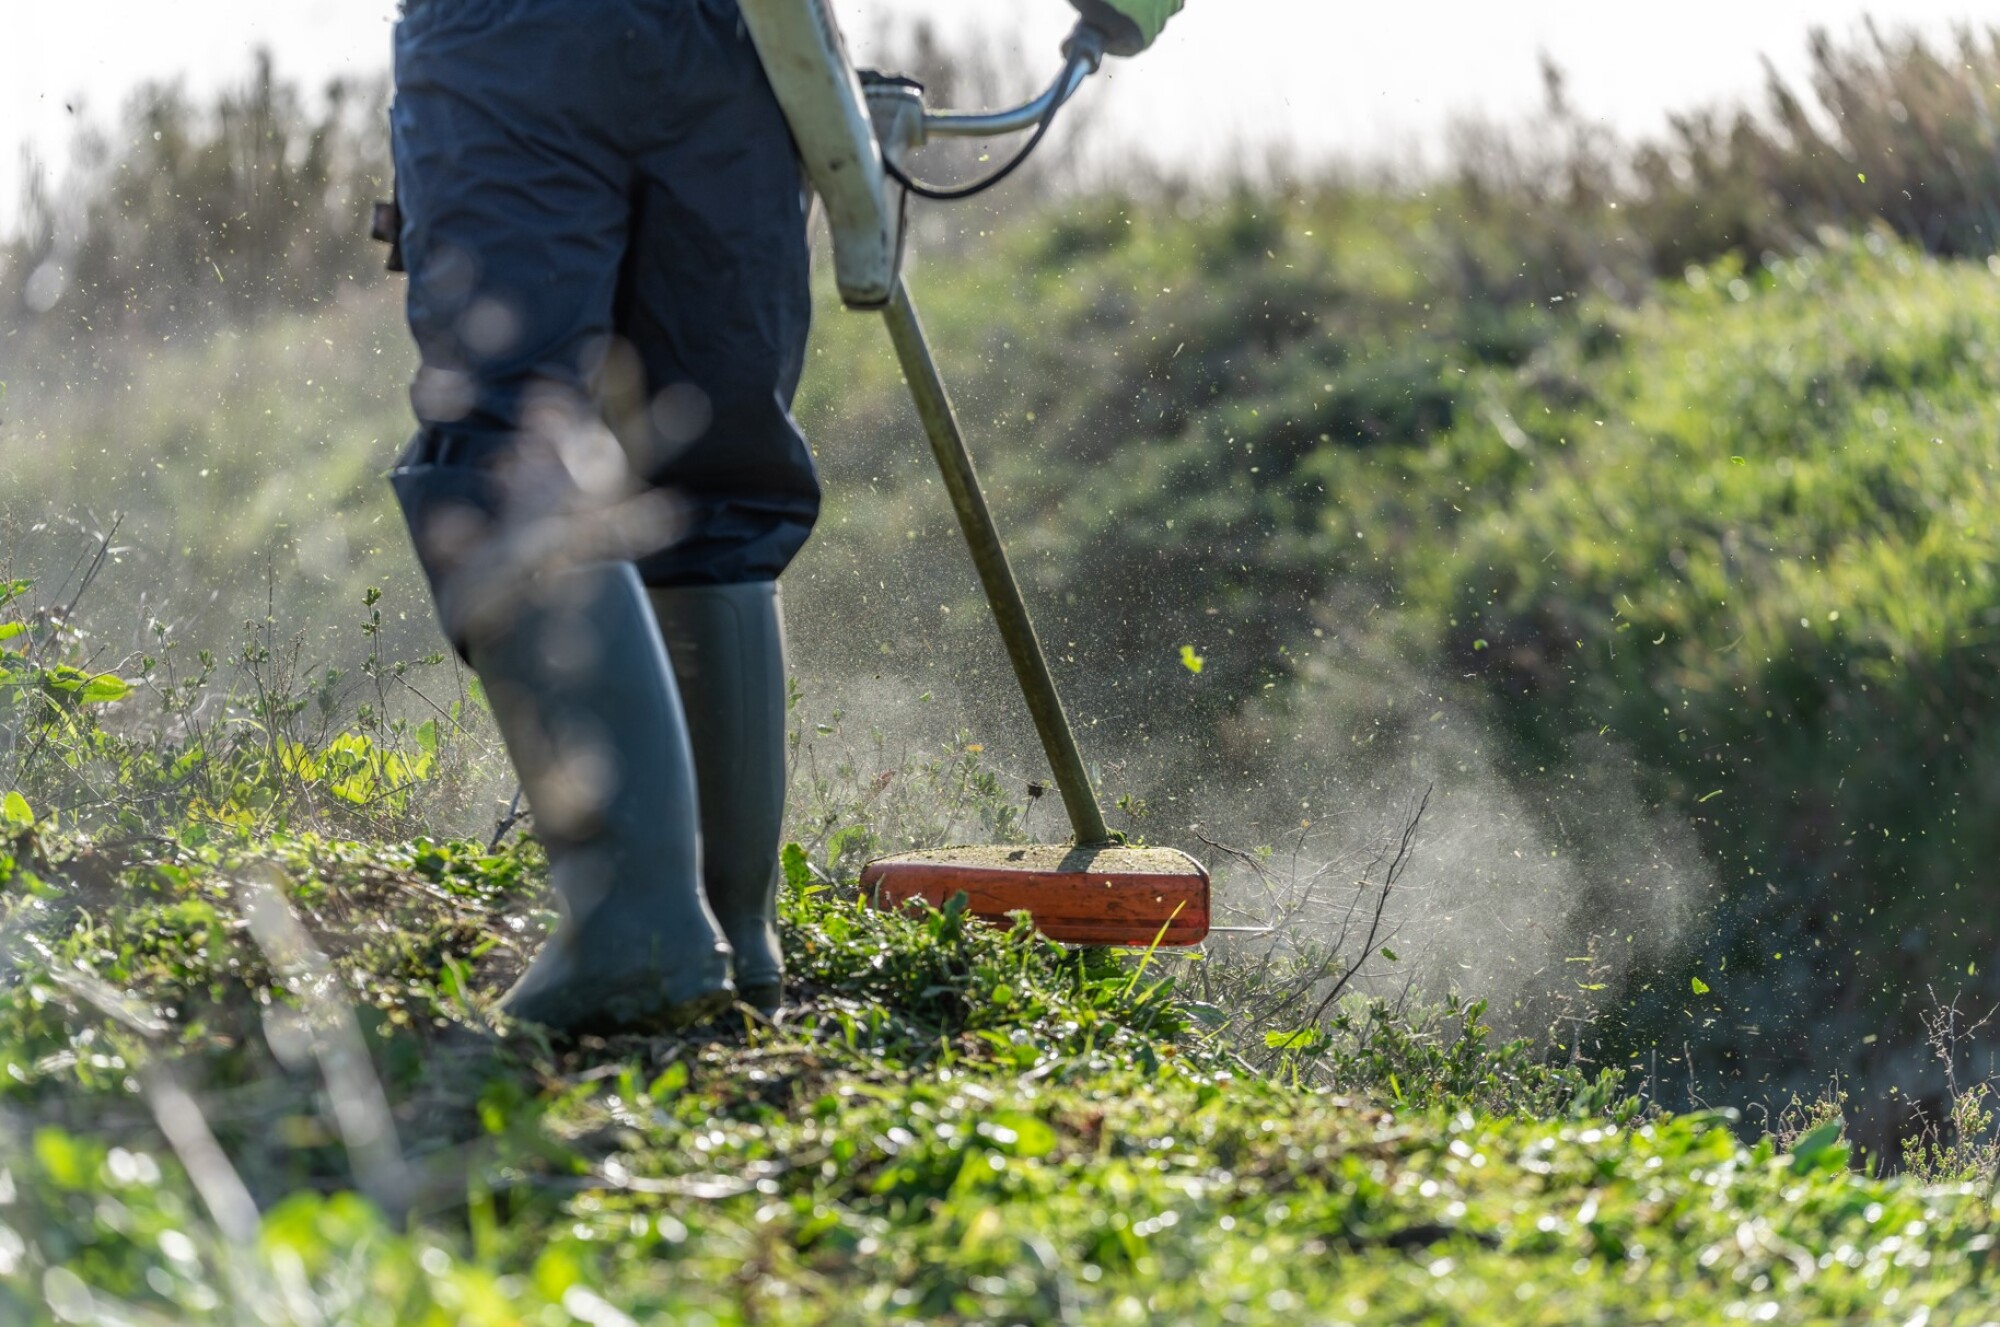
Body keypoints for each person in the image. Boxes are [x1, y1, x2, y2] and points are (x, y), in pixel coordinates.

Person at [385, 0, 1181, 1036]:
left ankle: (635, 927)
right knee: (711, 479)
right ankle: (733, 941)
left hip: (526, 35)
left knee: (505, 442)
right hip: (747, 41)